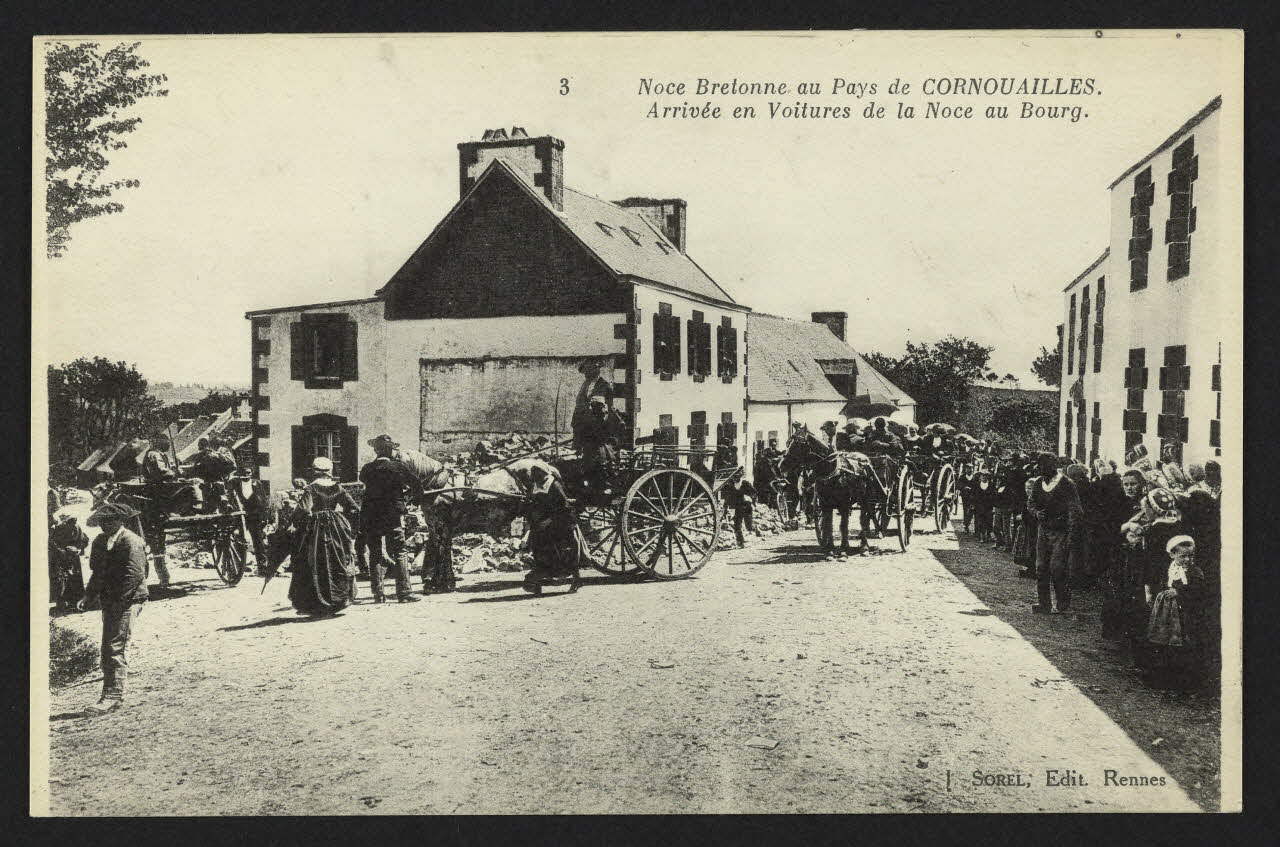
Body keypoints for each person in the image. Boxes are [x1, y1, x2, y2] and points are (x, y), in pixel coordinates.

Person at [77, 502, 151, 713]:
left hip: (129, 600)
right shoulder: (100, 542)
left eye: (110, 521)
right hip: (111, 601)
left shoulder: (131, 541)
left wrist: (119, 603)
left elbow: (134, 576)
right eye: (102, 521)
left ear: (120, 521)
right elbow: (97, 572)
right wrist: (89, 595)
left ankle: (112, 696)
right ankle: (111, 692)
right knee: (108, 646)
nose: (105, 525)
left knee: (114, 646)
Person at [288, 457, 361, 616]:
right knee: (337, 560)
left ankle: (316, 602)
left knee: (315, 561)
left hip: (316, 527)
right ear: (330, 472)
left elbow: (304, 509)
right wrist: (343, 519)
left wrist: (293, 521)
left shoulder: (311, 488)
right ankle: (338, 599)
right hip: (337, 527)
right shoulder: (338, 487)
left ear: (314, 472)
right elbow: (354, 508)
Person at [358, 435, 421, 604]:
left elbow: (363, 480)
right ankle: (404, 592)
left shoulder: (367, 469)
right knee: (400, 550)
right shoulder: (399, 467)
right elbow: (417, 485)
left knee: (375, 552)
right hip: (393, 515)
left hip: (371, 516)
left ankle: (378, 594)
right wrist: (406, 499)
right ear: (391, 450)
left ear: (376, 450)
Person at [1144, 535, 1206, 690]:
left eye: (1190, 556)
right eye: (1183, 556)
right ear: (1172, 555)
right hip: (1165, 613)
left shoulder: (1195, 572)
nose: (1187, 560)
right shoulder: (1169, 570)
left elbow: (1198, 591)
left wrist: (1179, 592)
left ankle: (1182, 682)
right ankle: (1161, 678)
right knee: (1164, 641)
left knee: (1182, 644)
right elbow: (1159, 584)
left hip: (1185, 613)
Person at [1028, 452, 1083, 614]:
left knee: (1058, 568)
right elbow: (1030, 503)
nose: (1041, 469)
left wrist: (1071, 535)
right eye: (1040, 465)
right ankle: (1044, 604)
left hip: (1061, 531)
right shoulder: (1038, 483)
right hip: (1043, 531)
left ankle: (1062, 604)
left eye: (1045, 465)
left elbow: (1075, 511)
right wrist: (1036, 513)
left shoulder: (1067, 484)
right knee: (1040, 567)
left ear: (1053, 466)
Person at [522, 464, 587, 590]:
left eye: (538, 478)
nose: (536, 481)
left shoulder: (554, 486)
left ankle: (576, 579)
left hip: (561, 521)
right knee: (537, 548)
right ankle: (539, 580)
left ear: (544, 476)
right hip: (543, 522)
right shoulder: (536, 486)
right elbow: (533, 504)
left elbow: (564, 507)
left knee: (564, 550)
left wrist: (548, 521)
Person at [49, 506, 89, 612]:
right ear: (66, 521)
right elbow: (53, 544)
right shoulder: (59, 529)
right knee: (62, 580)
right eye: (71, 520)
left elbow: (85, 540)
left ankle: (75, 602)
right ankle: (61, 604)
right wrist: (63, 551)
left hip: (74, 558)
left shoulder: (77, 528)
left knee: (75, 579)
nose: (73, 522)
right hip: (61, 559)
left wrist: (79, 549)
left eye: (75, 520)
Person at [721, 469, 758, 548]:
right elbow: (727, 497)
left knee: (748, 523)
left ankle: (750, 539)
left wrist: (753, 501)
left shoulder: (745, 483)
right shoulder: (730, 485)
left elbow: (754, 493)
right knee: (737, 525)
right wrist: (726, 507)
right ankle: (740, 542)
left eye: (737, 477)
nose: (735, 479)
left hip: (746, 506)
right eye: (734, 477)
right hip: (737, 507)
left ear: (740, 476)